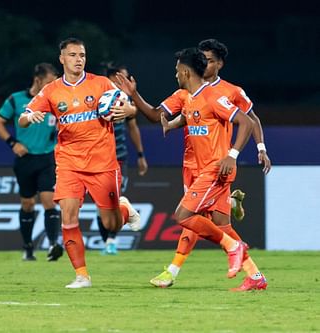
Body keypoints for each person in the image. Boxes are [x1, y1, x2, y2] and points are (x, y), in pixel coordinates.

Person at [115, 42, 269, 291]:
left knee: (184, 215)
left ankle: (228, 249)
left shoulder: (216, 96)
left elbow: (248, 122)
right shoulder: (186, 97)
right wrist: (135, 96)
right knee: (222, 225)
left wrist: (233, 155)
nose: (175, 74)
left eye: (177, 70)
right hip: (198, 167)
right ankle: (255, 276)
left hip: (216, 169)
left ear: (186, 72)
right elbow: (156, 115)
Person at [19, 37, 141, 289]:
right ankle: (82, 275)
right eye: (73, 55)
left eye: (82, 55)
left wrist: (127, 111)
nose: (78, 60)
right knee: (68, 216)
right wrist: (30, 117)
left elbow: (130, 108)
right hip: (68, 162)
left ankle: (125, 210)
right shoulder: (52, 90)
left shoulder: (101, 83)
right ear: (62, 58)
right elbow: (22, 118)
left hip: (102, 163)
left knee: (111, 223)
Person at [0, 63, 64, 261]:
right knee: (28, 203)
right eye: (49, 82)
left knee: (49, 200)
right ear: (38, 80)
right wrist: (12, 142)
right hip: (25, 159)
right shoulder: (16, 100)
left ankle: (52, 245)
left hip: (47, 158)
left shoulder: (55, 100)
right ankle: (28, 246)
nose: (52, 86)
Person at [98, 63, 148, 255]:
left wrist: (141, 155)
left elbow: (133, 127)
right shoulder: (97, 97)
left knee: (112, 201)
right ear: (110, 78)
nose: (125, 81)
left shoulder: (124, 100)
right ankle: (107, 242)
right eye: (122, 77)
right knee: (101, 205)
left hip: (118, 158)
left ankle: (110, 241)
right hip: (95, 159)